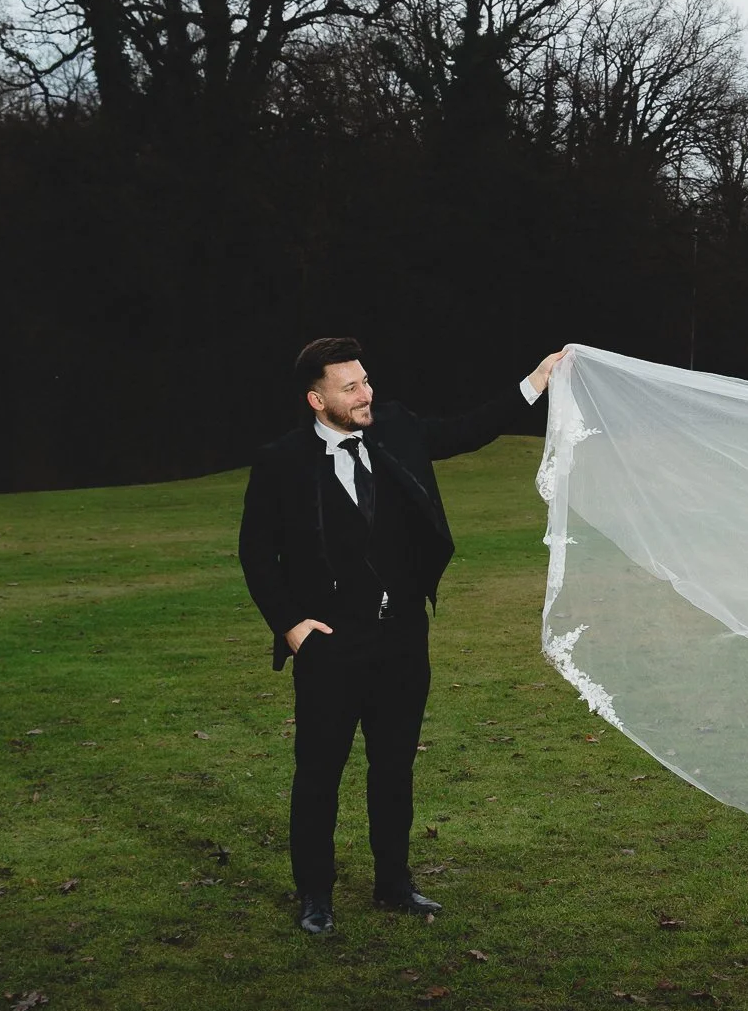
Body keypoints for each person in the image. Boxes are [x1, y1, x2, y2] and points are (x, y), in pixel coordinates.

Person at [239, 338, 564, 935]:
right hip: (330, 646)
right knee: (319, 774)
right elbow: (257, 553)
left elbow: (470, 429)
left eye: (366, 381)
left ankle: (393, 885)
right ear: (317, 400)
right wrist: (291, 627)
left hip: (402, 641)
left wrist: (537, 380)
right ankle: (316, 896)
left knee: (393, 769)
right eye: (351, 387)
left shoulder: (396, 427)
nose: (367, 394)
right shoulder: (281, 460)